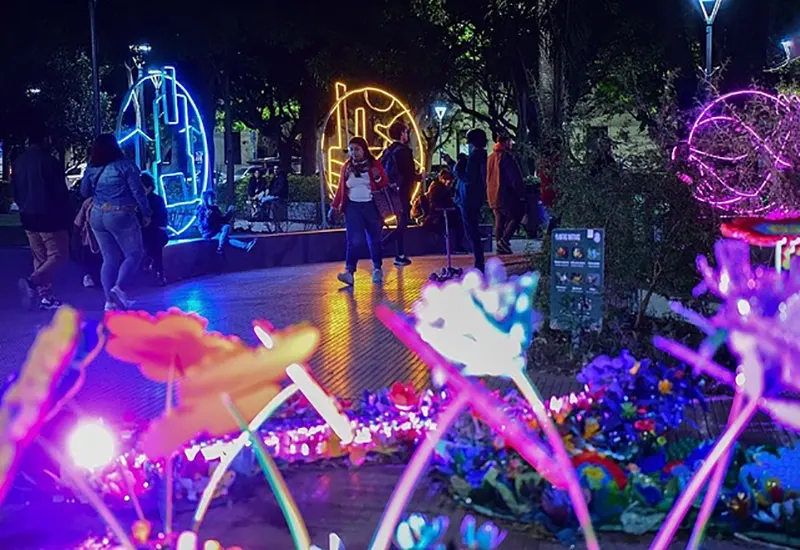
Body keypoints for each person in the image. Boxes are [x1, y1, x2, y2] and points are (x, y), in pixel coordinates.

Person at [81, 133, 151, 311]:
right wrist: (146, 213)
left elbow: (84, 191)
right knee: (134, 254)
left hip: (97, 215)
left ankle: (109, 302)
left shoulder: (92, 167)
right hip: (121, 214)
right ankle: (119, 288)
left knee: (109, 258)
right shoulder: (125, 165)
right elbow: (138, 192)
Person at [12, 127, 73, 310]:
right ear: (46, 139)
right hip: (49, 215)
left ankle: (46, 296)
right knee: (58, 255)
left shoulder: (19, 162)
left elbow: (15, 189)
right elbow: (60, 192)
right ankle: (32, 282)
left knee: (40, 256)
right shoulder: (50, 162)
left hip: (28, 216)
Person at [330, 136, 389, 286]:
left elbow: (384, 183)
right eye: (351, 149)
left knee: (374, 238)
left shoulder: (374, 165)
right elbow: (341, 189)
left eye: (356, 149)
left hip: (371, 205)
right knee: (354, 240)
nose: (353, 152)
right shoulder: (347, 167)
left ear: (364, 150)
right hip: (352, 207)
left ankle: (377, 268)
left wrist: (376, 177)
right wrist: (334, 206)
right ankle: (349, 271)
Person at [445, 129, 488, 272]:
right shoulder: (481, 156)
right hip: (473, 198)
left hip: (468, 199)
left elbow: (467, 178)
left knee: (471, 232)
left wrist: (458, 167)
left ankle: (479, 263)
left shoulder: (475, 157)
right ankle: (479, 262)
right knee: (472, 231)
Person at [381, 122, 421, 267]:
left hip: (391, 191)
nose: (407, 135)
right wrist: (419, 177)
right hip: (403, 192)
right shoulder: (404, 151)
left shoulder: (388, 151)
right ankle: (382, 245)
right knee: (403, 224)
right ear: (402, 133)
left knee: (400, 222)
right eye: (406, 132)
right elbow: (408, 174)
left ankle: (400, 254)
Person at [487, 134, 526, 255]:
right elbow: (514, 177)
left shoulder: (491, 157)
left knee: (499, 220)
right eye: (510, 142)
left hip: (492, 194)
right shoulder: (505, 157)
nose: (511, 144)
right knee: (516, 216)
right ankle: (503, 241)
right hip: (505, 194)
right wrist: (521, 193)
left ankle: (500, 245)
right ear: (505, 143)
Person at [140, 173, 169, 285]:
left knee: (156, 242)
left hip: (154, 230)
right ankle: (159, 273)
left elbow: (162, 216)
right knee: (155, 245)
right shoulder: (137, 201)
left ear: (149, 188)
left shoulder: (156, 200)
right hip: (141, 231)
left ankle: (154, 266)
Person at [73, 197, 102, 288]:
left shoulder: (89, 202)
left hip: (93, 238)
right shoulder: (89, 202)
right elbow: (78, 222)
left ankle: (90, 275)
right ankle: (90, 275)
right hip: (93, 238)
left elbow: (77, 223)